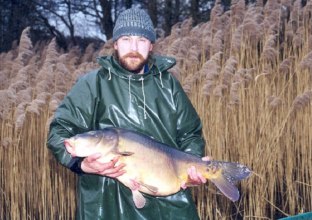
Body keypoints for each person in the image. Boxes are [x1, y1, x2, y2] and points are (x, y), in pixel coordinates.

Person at [47, 8, 206, 220]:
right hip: (105, 205)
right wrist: (81, 164)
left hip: (167, 202)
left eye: (141, 40)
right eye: (126, 39)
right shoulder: (92, 84)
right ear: (115, 44)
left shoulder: (169, 85)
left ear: (151, 46)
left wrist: (192, 167)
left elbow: (191, 133)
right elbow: (59, 132)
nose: (133, 48)